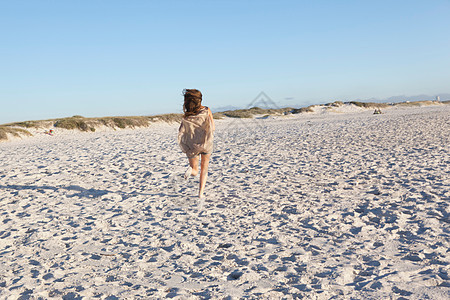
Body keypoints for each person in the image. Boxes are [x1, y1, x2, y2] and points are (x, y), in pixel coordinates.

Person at [178, 89, 215, 198]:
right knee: (205, 168)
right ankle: (201, 193)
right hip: (206, 143)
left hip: (192, 145)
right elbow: (212, 127)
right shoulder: (207, 110)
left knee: (195, 169)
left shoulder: (187, 115)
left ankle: (191, 170)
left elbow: (182, 131)